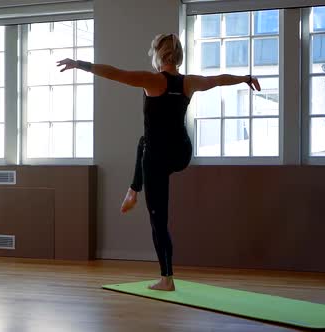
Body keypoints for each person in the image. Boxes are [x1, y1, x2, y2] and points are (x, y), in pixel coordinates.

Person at [57, 33, 261, 291]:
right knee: (143, 143)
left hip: (157, 158)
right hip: (182, 153)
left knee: (159, 220)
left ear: (158, 55)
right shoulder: (190, 82)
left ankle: (166, 277)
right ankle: (133, 190)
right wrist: (245, 79)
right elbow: (218, 80)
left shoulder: (152, 81)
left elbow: (114, 73)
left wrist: (79, 63)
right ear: (178, 56)